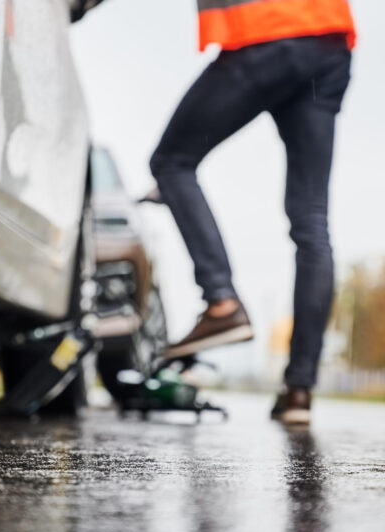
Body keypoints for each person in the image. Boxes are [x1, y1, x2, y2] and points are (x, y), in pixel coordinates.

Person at [149, 0, 356, 425]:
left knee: (172, 161)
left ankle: (221, 301)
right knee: (312, 221)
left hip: (263, 32)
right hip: (329, 39)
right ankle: (299, 389)